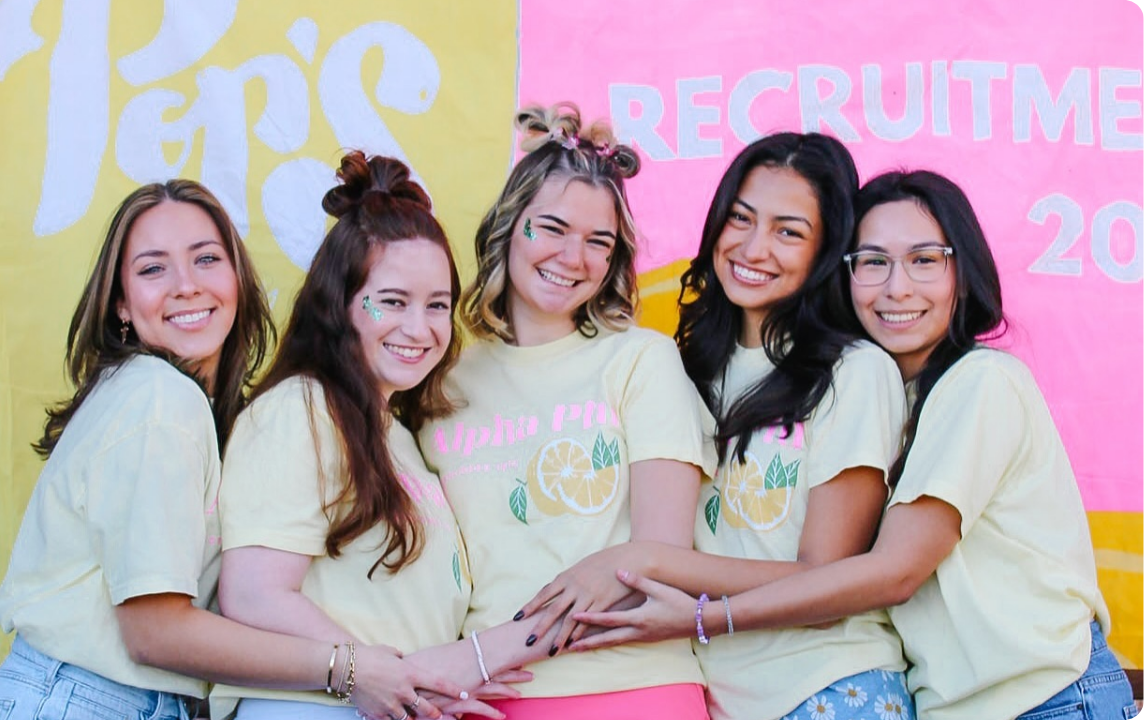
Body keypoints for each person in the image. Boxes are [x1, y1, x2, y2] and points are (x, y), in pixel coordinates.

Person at [571, 170, 1136, 720]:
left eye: (924, 260)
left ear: (964, 272)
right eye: (872, 262)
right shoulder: (894, 392)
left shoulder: (981, 382)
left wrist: (703, 616)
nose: (896, 287)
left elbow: (894, 571)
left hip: (1048, 696)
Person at [0, 180, 463, 720]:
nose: (186, 286)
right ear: (121, 306)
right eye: (153, 269)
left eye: (206, 259)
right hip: (83, 700)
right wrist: (351, 668)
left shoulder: (176, 404)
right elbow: (154, 632)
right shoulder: (160, 399)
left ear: (237, 279)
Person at [520, 132, 912, 720]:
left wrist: (645, 560)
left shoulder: (855, 372)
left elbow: (825, 583)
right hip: (719, 699)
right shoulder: (681, 368)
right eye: (741, 218)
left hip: (831, 690)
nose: (754, 248)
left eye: (788, 232)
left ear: (826, 249)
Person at [410, 103, 712, 720]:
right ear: (509, 225)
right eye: (551, 228)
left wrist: (484, 654)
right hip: (484, 700)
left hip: (631, 689)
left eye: (597, 241)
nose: (572, 258)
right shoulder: (442, 379)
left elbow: (656, 566)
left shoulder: (640, 362)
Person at [208, 152, 523, 720]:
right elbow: (253, 594)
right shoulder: (300, 409)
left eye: (437, 306)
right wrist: (371, 674)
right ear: (341, 304)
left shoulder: (398, 433)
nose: (420, 328)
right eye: (394, 302)